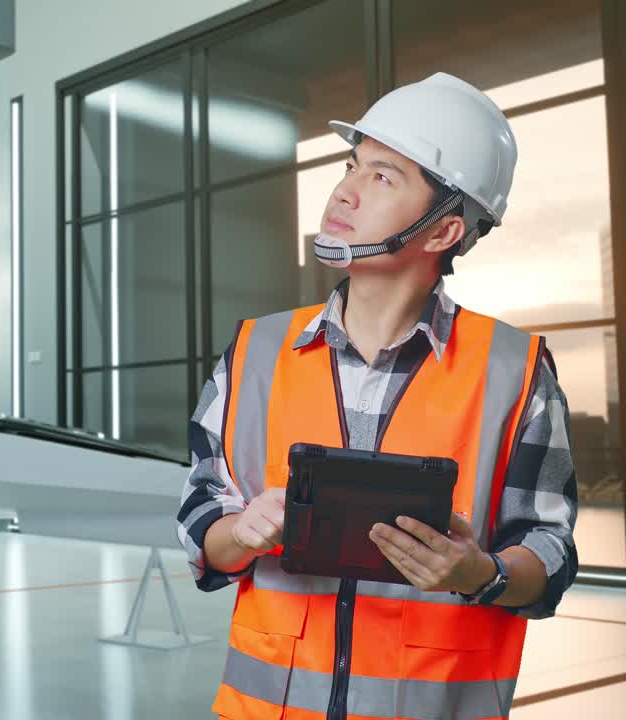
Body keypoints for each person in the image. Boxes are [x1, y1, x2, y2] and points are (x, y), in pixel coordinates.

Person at [176, 72, 579, 720]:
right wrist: (241, 533)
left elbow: (550, 555)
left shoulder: (515, 370)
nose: (345, 190)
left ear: (443, 232)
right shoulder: (253, 353)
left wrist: (477, 573)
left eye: (382, 177)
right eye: (352, 165)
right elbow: (202, 529)